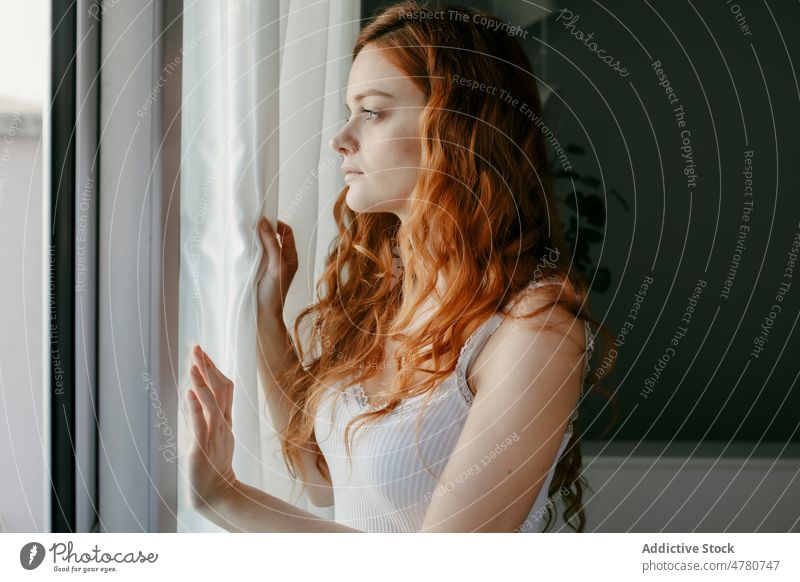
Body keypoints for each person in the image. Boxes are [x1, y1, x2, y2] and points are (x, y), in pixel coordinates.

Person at [184, 0, 613, 533]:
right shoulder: (390, 295)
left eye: (372, 111)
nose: (341, 138)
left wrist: (226, 499)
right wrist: (267, 314)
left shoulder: (537, 329)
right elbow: (323, 481)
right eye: (348, 111)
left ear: (456, 125)